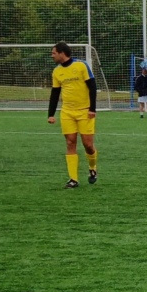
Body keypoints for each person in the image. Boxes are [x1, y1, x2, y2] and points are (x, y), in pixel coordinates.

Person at [46, 42, 98, 188]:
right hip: (67, 112)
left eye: (54, 53)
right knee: (70, 143)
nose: (52, 55)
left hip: (85, 111)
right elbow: (55, 93)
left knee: (88, 145)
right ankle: (73, 179)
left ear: (62, 53)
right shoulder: (56, 71)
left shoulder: (81, 65)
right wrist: (51, 114)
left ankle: (92, 168)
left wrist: (92, 109)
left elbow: (92, 87)